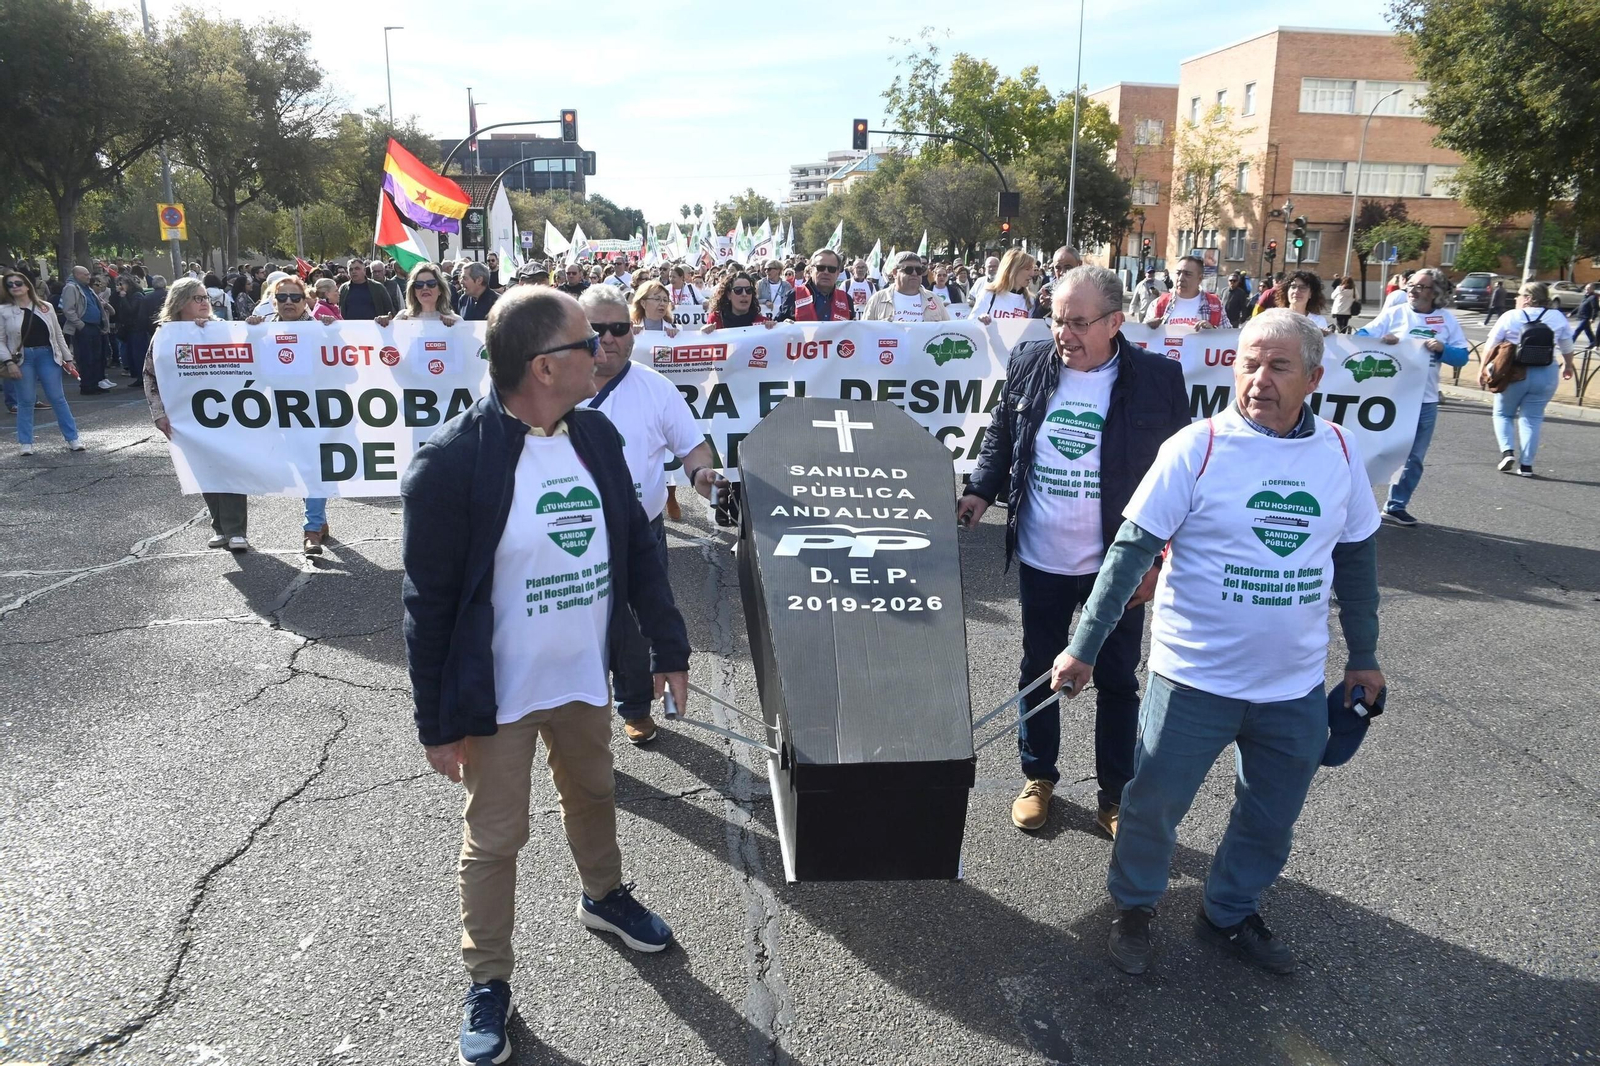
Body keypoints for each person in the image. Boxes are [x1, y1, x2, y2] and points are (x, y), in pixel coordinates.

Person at [401, 286, 691, 1066]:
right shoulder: (454, 463)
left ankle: (604, 897)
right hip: (497, 698)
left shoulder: (594, 438)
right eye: (585, 341)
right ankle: (488, 978)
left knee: (594, 796)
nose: (602, 350)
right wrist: (436, 724)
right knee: (496, 840)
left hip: (581, 680)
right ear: (541, 367)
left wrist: (668, 646)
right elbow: (426, 607)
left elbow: (636, 551)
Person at [1050, 309, 1384, 977]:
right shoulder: (1196, 448)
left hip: (1291, 688)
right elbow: (1128, 554)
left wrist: (1364, 656)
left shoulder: (1342, 452)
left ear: (1313, 377)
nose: (1259, 379)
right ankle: (1135, 906)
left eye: (1278, 366)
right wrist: (1084, 645)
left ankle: (1228, 912)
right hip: (1192, 679)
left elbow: (1356, 562)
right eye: (1248, 364)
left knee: (1270, 816)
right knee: (1152, 807)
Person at [958, 265, 1189, 836]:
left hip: (1117, 564)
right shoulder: (1031, 362)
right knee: (1039, 669)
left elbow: (1181, 479)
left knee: (1116, 680)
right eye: (1057, 319)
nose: (1064, 333)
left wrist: (1159, 562)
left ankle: (1115, 793)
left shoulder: (1158, 380)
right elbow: (1002, 435)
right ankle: (1039, 777)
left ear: (1115, 322)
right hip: (1043, 556)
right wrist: (980, 492)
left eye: (1078, 322)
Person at [579, 286, 717, 742]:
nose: (608, 338)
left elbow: (693, 447)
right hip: (570, 535)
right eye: (596, 329)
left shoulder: (655, 388)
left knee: (642, 623)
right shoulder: (554, 386)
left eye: (618, 328)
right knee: (579, 627)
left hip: (641, 532)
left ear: (632, 332)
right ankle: (578, 720)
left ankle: (636, 708)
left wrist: (701, 474)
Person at [144, 279, 258, 550]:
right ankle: (220, 527)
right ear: (180, 302)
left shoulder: (221, 330)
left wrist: (253, 329)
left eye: (205, 297)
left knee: (230, 466)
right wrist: (158, 413)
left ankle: (236, 529)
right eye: (197, 298)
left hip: (228, 413)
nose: (205, 302)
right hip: (187, 415)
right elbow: (150, 374)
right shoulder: (165, 334)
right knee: (204, 470)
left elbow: (250, 354)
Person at [1352, 266, 1467, 523]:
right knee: (1374, 449)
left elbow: (1462, 357)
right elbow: (1361, 336)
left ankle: (1396, 506)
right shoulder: (1394, 314)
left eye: (1420, 286)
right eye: (1411, 285)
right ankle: (1360, 501)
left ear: (1434, 292)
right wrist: (1383, 341)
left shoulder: (1447, 320)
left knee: (1414, 457)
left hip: (1424, 400)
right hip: (1388, 399)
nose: (1412, 291)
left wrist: (1442, 349)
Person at [242, 274, 338, 553]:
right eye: (282, 297)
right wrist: (249, 334)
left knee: (315, 467)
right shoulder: (263, 330)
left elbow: (349, 367)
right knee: (301, 468)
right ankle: (318, 519)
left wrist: (334, 333)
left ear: (305, 300)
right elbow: (249, 370)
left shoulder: (321, 328)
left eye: (295, 297)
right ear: (273, 301)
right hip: (280, 411)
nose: (288, 302)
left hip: (319, 411)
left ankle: (311, 528)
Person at [1480, 281, 1577, 477]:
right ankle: (1526, 466)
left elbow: (1491, 345)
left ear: (1528, 298)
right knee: (1532, 419)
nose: (1516, 298)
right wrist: (1568, 366)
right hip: (1546, 372)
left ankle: (1507, 452)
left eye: (1519, 295)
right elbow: (1567, 347)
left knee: (1503, 414)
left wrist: (1482, 369)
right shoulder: (1557, 317)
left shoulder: (1510, 316)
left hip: (1513, 373)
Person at [2, 270, 84, 455]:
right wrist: (9, 362)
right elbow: (0, 340)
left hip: (48, 354)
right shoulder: (4, 311)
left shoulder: (45, 306)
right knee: (26, 400)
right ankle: (26, 442)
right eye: (10, 284)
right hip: (22, 358)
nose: (14, 287)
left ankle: (73, 438)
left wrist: (68, 359)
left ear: (27, 285)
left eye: (18, 283)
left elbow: (57, 334)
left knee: (57, 398)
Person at [60, 265, 114, 394]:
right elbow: (68, 309)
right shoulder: (71, 288)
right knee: (86, 357)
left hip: (95, 326)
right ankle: (87, 385)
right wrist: (80, 325)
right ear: (77, 275)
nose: (88, 277)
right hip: (84, 327)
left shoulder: (86, 288)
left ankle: (95, 383)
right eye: (85, 274)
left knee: (97, 357)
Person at [863, 251, 949, 322]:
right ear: (895, 273)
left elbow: (947, 329)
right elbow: (865, 331)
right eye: (909, 270)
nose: (914, 273)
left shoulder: (934, 299)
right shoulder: (877, 299)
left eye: (919, 270)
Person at [1144, 255, 1224, 330]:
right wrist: (1148, 328)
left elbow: (1229, 339)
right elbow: (1141, 338)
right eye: (1178, 273)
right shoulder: (1159, 303)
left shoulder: (1215, 305)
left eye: (1188, 274)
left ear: (1200, 278)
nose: (1181, 278)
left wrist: (1212, 332)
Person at [378, 263, 462, 326]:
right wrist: (384, 325)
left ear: (440, 289)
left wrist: (455, 329)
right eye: (419, 284)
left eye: (431, 283)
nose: (425, 288)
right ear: (413, 291)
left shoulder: (455, 320)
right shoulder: (403, 317)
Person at [972, 249, 1037, 321]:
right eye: (1027, 269)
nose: (1032, 274)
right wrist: (980, 320)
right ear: (1012, 270)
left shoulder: (1030, 301)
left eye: (1032, 269)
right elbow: (971, 324)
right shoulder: (989, 294)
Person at [792, 249, 853, 321]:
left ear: (838, 273)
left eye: (831, 269)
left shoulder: (846, 299)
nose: (826, 272)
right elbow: (779, 326)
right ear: (811, 270)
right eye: (821, 268)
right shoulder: (795, 295)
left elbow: (852, 329)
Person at [703, 270, 776, 330]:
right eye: (738, 290)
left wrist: (773, 329)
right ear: (729, 295)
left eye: (748, 290)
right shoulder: (716, 320)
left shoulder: (763, 322)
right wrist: (705, 334)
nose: (744, 294)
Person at [112, 275, 146, 386]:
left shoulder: (137, 295)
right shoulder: (125, 295)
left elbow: (131, 310)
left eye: (122, 284)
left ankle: (142, 377)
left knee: (138, 354)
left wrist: (123, 297)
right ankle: (137, 376)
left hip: (137, 328)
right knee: (131, 354)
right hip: (128, 328)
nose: (121, 287)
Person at [1031, 246, 1082, 319]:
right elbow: (1034, 323)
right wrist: (1044, 308)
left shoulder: (1092, 291)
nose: (1062, 272)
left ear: (1079, 265)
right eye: (1058, 268)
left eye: (1068, 267)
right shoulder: (1045, 292)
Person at [1573, 283, 1598, 350]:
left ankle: (1570, 343)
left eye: (1588, 289)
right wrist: (1572, 313)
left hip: (1586, 318)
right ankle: (1593, 342)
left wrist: (1593, 318)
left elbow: (1595, 308)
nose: (1586, 290)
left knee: (1577, 330)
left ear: (1592, 289)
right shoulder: (1586, 297)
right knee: (1588, 331)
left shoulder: (1593, 297)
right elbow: (1580, 306)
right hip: (1582, 316)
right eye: (1586, 289)